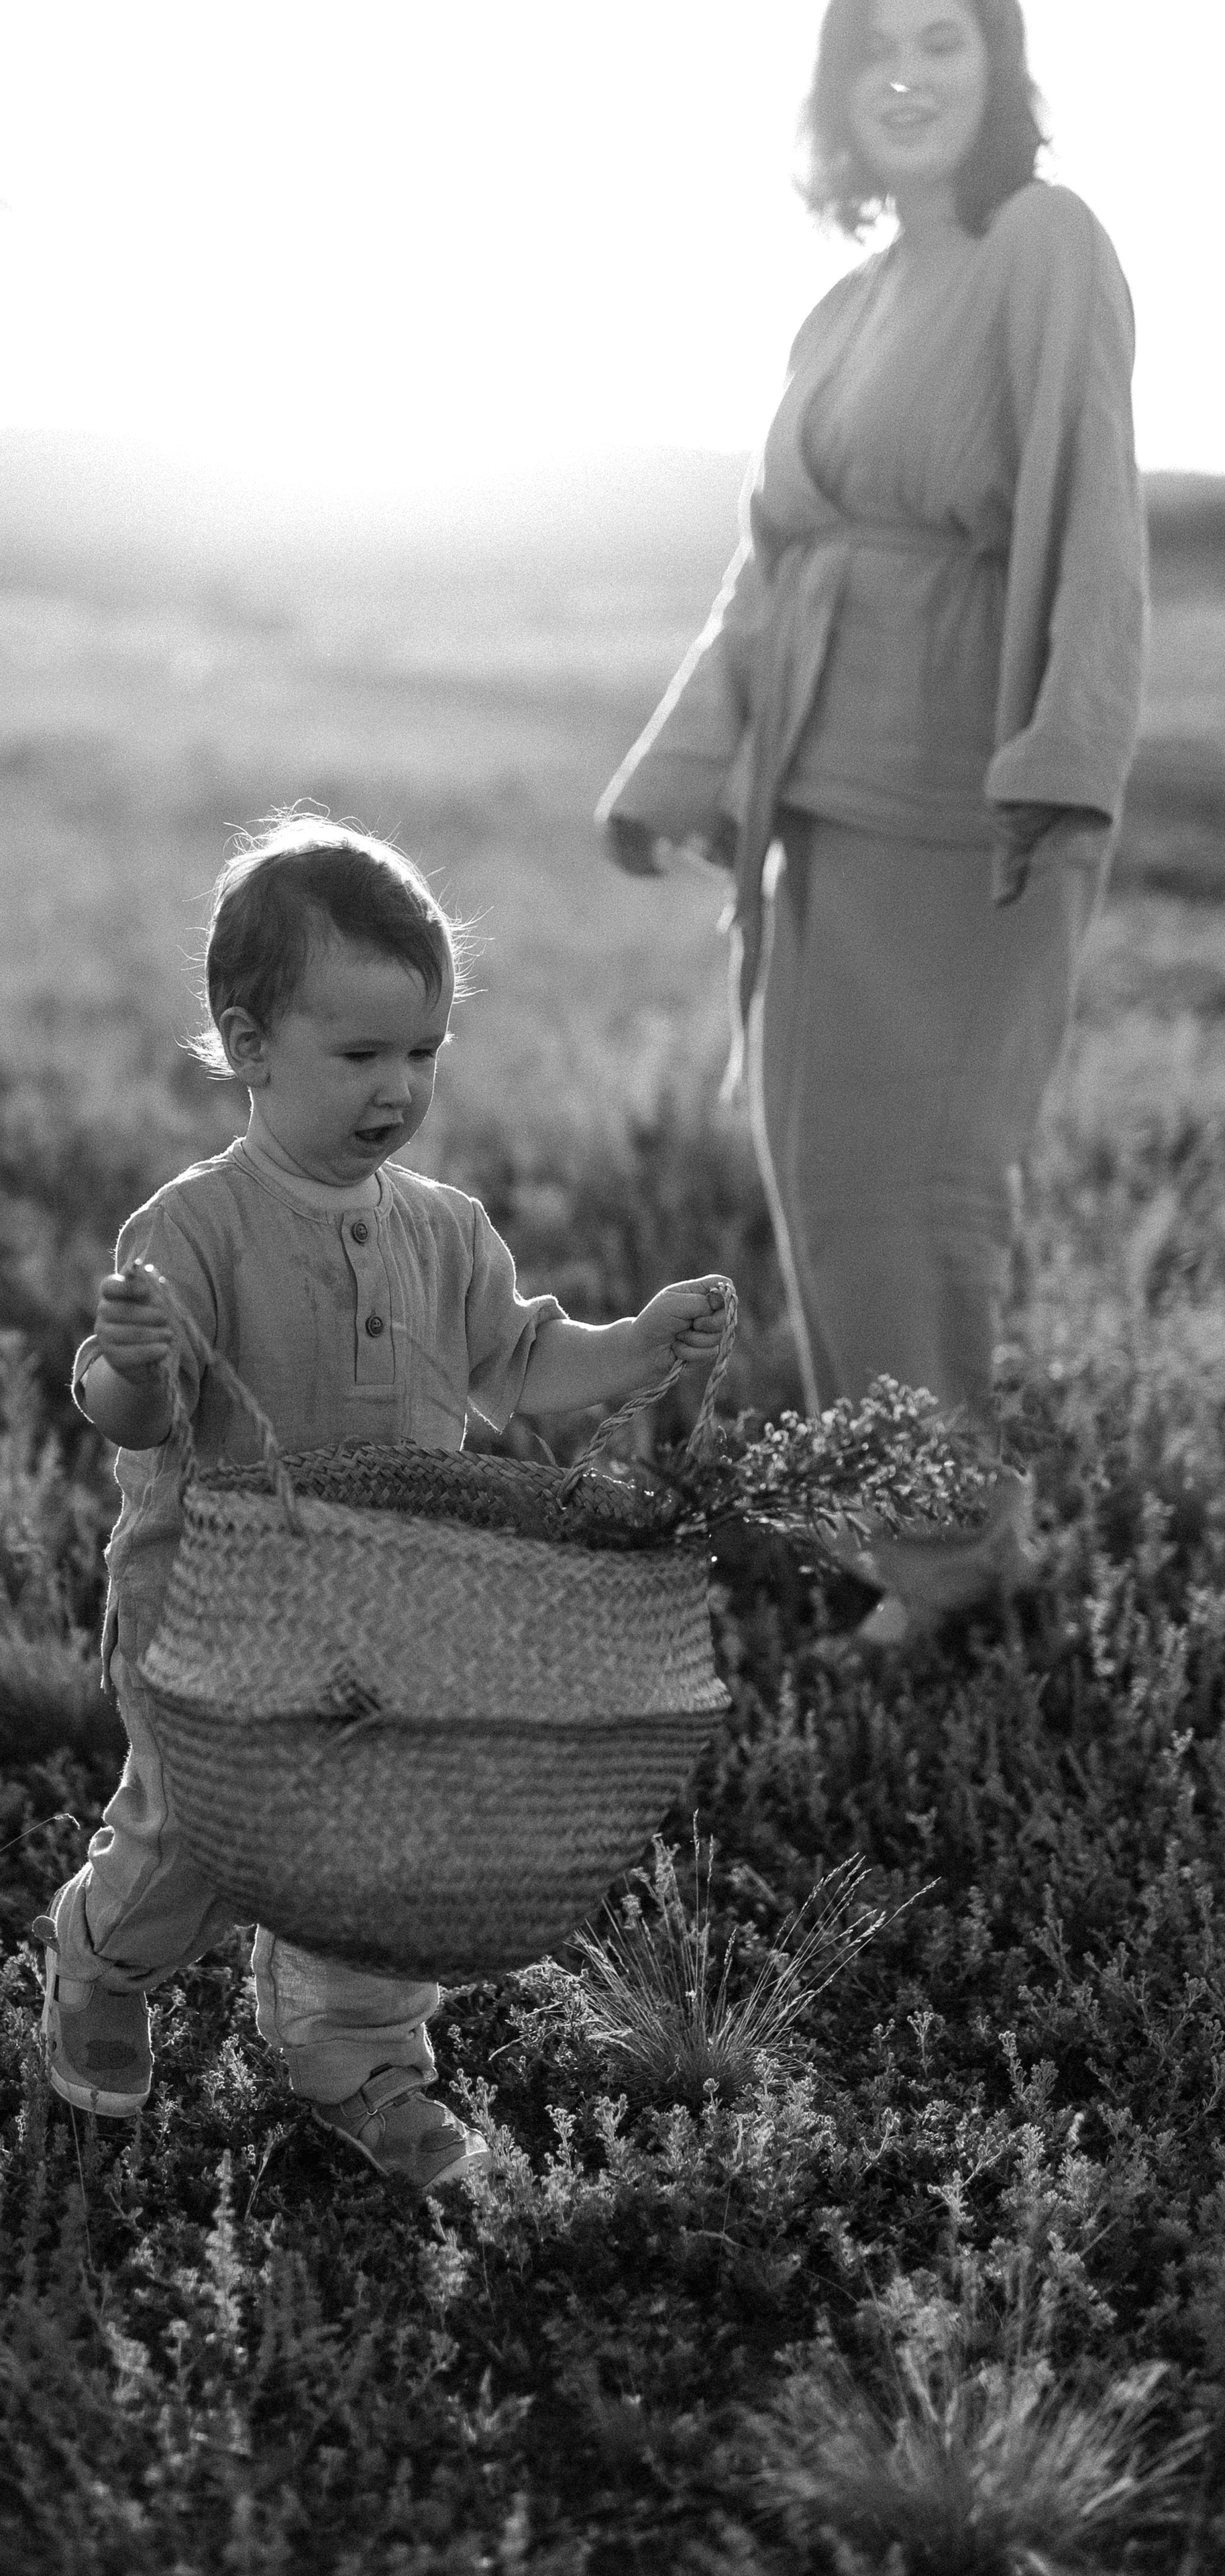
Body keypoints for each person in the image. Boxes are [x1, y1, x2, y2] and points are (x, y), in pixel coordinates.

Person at [35, 814, 730, 2190]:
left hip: (398, 1609)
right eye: (357, 1055)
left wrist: (638, 1346)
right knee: (195, 1839)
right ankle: (100, 1965)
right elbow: (129, 1415)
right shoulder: (195, 1228)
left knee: (378, 1842)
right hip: (212, 1619)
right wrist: (131, 1367)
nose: (395, 1088)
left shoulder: (441, 1229)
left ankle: (355, 2054)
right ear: (246, 1045)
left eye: (421, 1053)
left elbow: (520, 1361)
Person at [595, 0, 1147, 1644]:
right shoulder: (840, 305)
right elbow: (769, 565)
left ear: (996, 75)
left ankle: (954, 1565)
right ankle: (901, 1541)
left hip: (958, 802)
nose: (906, 73)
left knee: (914, 1192)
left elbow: (1089, 496)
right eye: (872, 48)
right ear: (836, 93)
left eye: (944, 40)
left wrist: (1059, 761)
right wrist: (677, 772)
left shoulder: (1042, 244)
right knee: (825, 1191)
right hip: (809, 807)